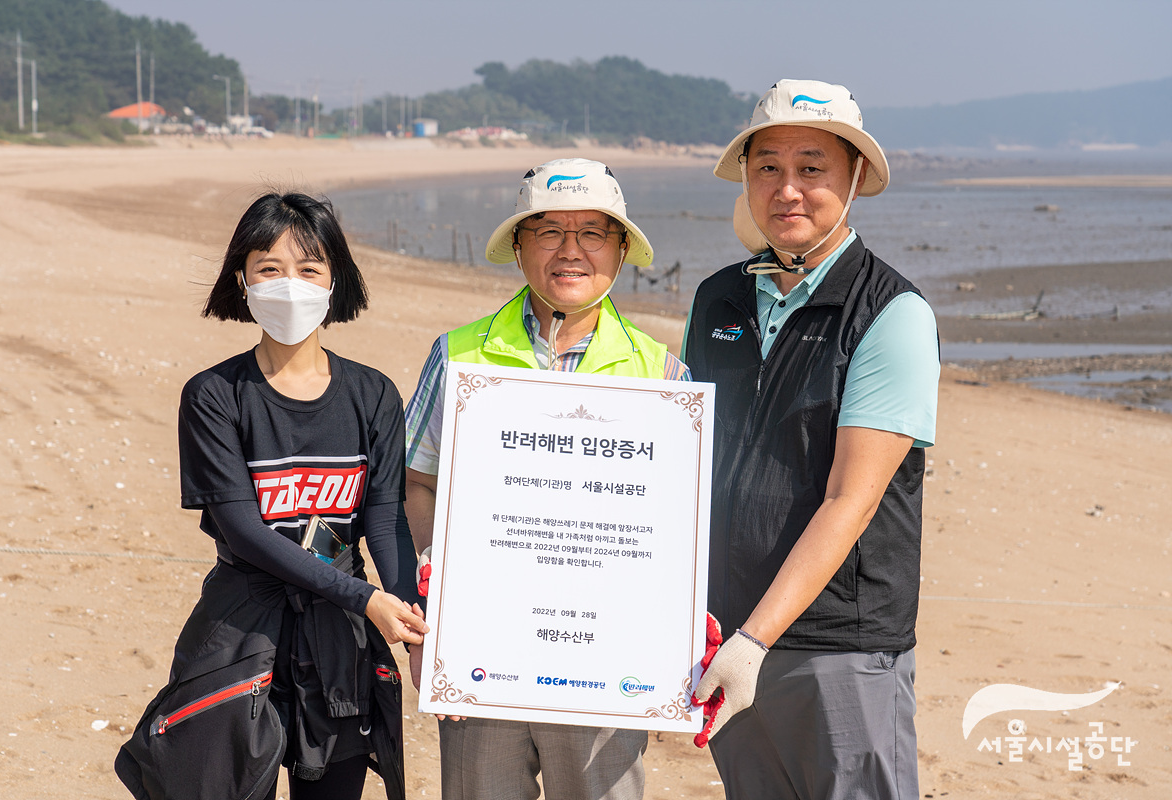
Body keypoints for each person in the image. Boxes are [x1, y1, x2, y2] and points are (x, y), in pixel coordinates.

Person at [116, 192, 428, 800]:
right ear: (243, 280)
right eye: (270, 269)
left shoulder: (373, 395)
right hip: (241, 629)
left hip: (340, 640)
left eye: (309, 269)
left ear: (336, 280)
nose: (290, 285)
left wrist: (412, 617)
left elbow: (385, 517)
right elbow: (242, 531)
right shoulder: (214, 395)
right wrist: (367, 599)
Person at [403, 158, 691, 800]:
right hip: (483, 653)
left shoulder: (663, 375)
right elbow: (416, 483)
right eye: (549, 232)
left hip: (608, 666)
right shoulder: (458, 353)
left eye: (592, 232)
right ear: (518, 246)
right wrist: (434, 592)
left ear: (620, 251)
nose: (571, 251)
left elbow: (674, 535)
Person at [684, 80, 940, 799]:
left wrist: (754, 640)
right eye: (767, 167)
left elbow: (850, 499)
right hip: (725, 634)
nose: (787, 189)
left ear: (854, 178)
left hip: (840, 648)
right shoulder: (718, 299)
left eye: (812, 167)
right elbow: (693, 458)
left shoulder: (891, 312)